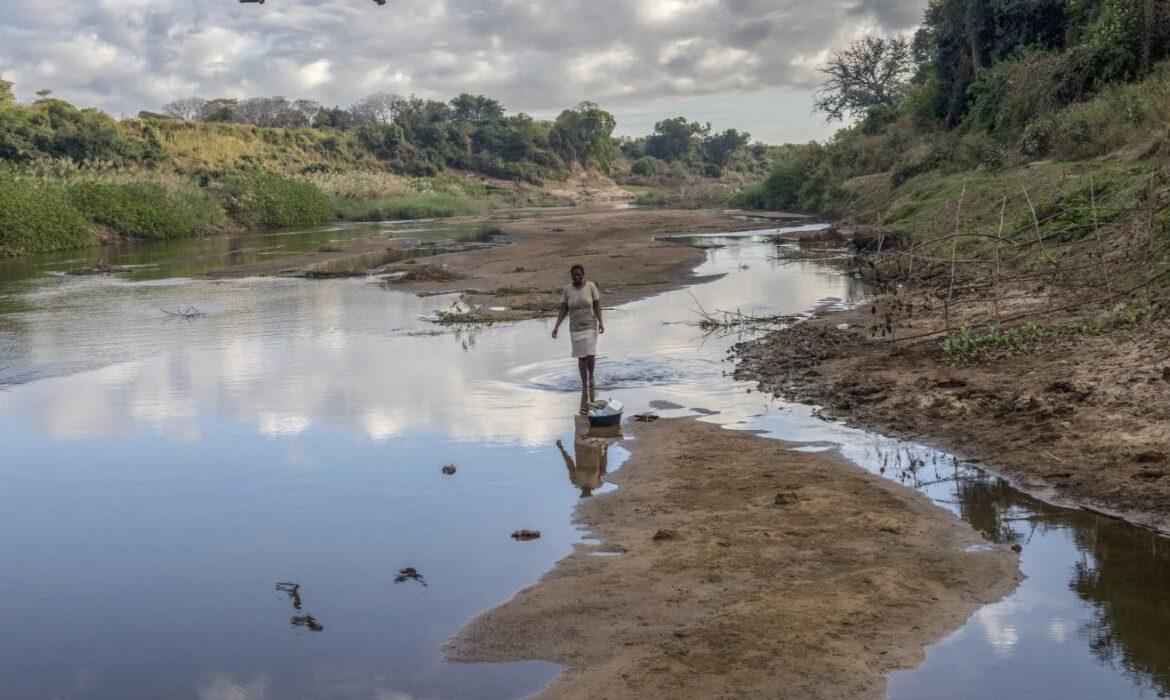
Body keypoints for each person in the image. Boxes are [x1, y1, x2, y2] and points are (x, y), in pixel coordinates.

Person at [551, 264, 604, 390]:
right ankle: (583, 384)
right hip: (576, 328)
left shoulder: (590, 287)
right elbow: (563, 309)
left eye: (578, 274)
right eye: (574, 275)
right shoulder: (567, 290)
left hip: (590, 325)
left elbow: (597, 305)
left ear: (583, 275)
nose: (576, 276)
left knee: (590, 354)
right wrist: (556, 326)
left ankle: (591, 376)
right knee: (581, 356)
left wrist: (601, 322)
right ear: (571, 276)